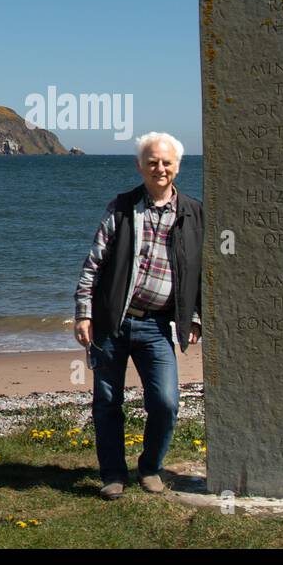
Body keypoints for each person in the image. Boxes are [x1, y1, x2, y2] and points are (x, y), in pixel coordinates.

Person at [73, 132, 203, 500]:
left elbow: (201, 272)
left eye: (166, 162)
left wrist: (195, 318)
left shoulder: (194, 213)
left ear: (178, 165)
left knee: (165, 401)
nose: (159, 168)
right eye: (152, 162)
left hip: (158, 325)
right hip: (111, 322)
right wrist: (84, 314)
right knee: (107, 402)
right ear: (139, 166)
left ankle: (149, 467)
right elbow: (93, 265)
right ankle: (113, 474)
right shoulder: (121, 207)